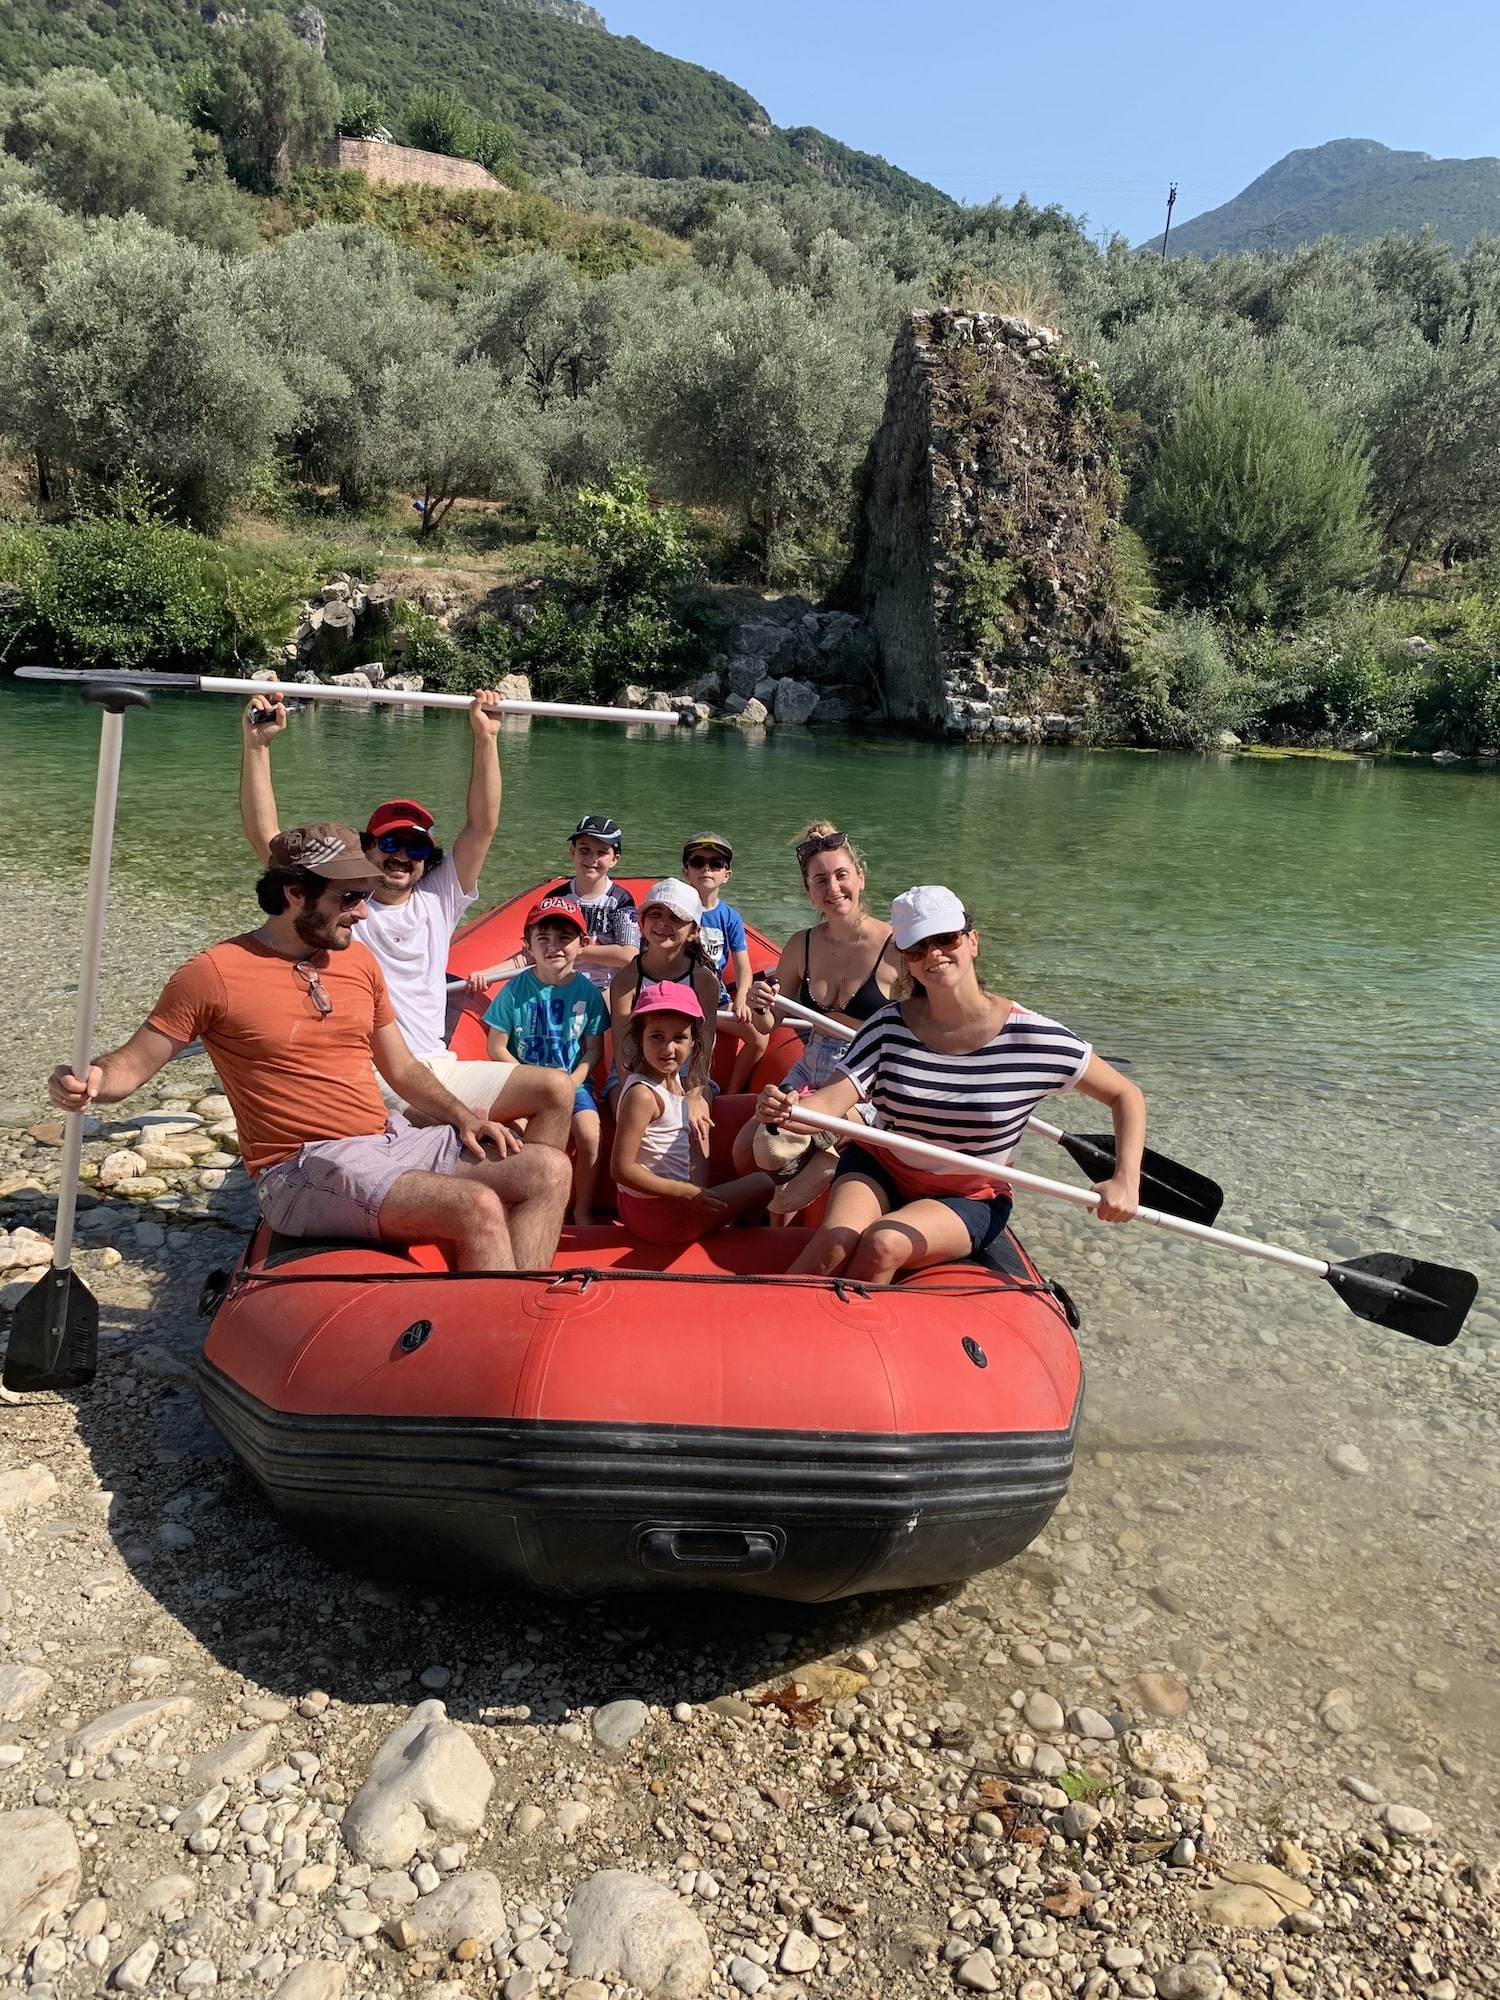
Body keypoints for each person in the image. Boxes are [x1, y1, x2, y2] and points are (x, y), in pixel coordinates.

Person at [46, 825, 570, 1270]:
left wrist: (462, 1116)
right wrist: (91, 1080)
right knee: (473, 1203)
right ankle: (487, 1349)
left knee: (548, 1170)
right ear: (295, 892)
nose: (362, 913)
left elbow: (403, 1068)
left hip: (389, 1141)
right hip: (300, 1168)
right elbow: (131, 1066)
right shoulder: (214, 974)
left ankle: (515, 1322)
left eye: (364, 895)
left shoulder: (359, 964)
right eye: (348, 898)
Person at [754, 885, 1145, 1283]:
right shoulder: (888, 1025)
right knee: (833, 1244)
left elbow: (1124, 1095)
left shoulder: (1033, 1038)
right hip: (880, 1166)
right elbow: (828, 1104)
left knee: (883, 1243)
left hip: (970, 1195)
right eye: (918, 949)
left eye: (945, 938)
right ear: (907, 961)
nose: (934, 954)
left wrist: (1126, 1179)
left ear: (971, 940)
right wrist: (788, 1111)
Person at [238, 687, 558, 1131]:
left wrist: (485, 738)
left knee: (554, 1094)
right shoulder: (344, 905)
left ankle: (541, 1196)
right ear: (366, 848)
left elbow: (482, 825)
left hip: (437, 1064)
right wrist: (257, 746)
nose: (401, 856)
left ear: (428, 859)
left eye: (415, 847)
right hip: (373, 1069)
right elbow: (268, 840)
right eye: (389, 843)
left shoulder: (438, 899)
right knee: (461, 1129)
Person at [730, 822, 902, 1179]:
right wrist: (758, 1003)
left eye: (841, 875)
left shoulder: (896, 948)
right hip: (810, 1066)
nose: (834, 888)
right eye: (820, 880)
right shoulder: (801, 945)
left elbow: (922, 1027)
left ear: (860, 877)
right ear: (809, 891)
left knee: (790, 1150)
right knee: (743, 1150)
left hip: (865, 1075)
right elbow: (768, 1025)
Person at [610, 982, 773, 1246]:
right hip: (663, 1218)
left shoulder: (673, 1084)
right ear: (639, 1038)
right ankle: (738, 1240)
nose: (668, 1048)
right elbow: (620, 1169)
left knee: (696, 1138)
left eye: (679, 1038)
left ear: (694, 1041)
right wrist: (686, 1192)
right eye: (657, 1037)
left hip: (649, 1210)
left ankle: (718, 1219)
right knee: (763, 1184)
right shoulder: (642, 1095)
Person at [483, 895, 609, 1226]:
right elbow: (496, 1046)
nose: (554, 947)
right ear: (528, 945)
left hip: (572, 1082)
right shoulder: (513, 991)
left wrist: (573, 1080)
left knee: (590, 1135)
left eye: (564, 938)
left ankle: (580, 1209)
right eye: (544, 939)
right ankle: (519, 1206)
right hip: (524, 1083)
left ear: (582, 945)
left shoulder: (589, 993)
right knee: (517, 1136)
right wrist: (531, 1080)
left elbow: (594, 1049)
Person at [606, 878, 721, 1151]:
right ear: (641, 922)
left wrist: (693, 1093)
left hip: (688, 1071)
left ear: (693, 931)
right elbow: (624, 1050)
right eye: (655, 914)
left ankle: (696, 1191)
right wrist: (636, 1089)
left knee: (697, 1127)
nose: (663, 923)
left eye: (675, 917)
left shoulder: (703, 981)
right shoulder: (626, 981)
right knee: (636, 1121)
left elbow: (704, 1043)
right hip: (635, 1070)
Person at [680, 830, 767, 1093]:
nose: (706, 868)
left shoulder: (729, 917)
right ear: (686, 871)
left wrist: (741, 998)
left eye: (715, 864)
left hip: (716, 1000)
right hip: (683, 996)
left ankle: (731, 1093)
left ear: (725, 875)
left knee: (760, 1039)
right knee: (705, 1040)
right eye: (698, 862)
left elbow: (743, 967)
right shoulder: (677, 912)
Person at [543, 814, 638, 990]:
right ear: (573, 851)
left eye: (602, 852)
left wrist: (574, 950)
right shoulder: (556, 898)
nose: (592, 859)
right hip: (561, 984)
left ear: (614, 859)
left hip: (605, 987)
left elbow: (629, 954)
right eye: (584, 850)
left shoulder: (621, 900)